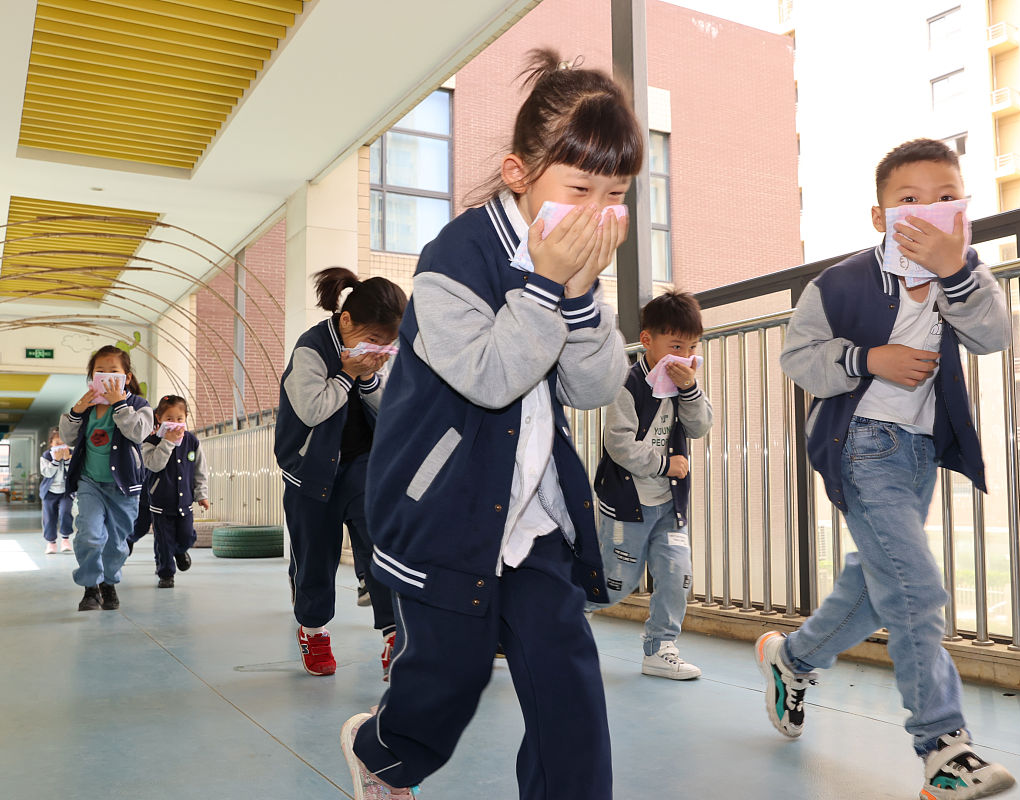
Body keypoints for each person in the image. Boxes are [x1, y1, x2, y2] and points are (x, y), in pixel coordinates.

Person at [339, 49, 636, 800]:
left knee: (570, 695)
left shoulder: (572, 265)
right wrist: (546, 284)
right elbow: (491, 378)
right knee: (448, 680)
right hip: (443, 513)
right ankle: (381, 752)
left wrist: (580, 295)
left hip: (530, 520)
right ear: (519, 174)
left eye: (616, 195)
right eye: (580, 189)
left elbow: (594, 385)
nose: (597, 212)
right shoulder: (454, 258)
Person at [763, 138, 1015, 799]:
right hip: (862, 445)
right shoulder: (840, 282)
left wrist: (956, 273)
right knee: (915, 590)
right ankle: (943, 748)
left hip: (921, 450)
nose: (928, 210)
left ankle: (792, 659)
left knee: (877, 587)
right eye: (909, 199)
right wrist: (868, 359)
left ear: (963, 210)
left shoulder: (967, 274)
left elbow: (993, 335)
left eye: (945, 198)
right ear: (880, 217)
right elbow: (798, 359)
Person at [274, 267, 406, 678]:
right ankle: (313, 629)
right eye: (374, 340)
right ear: (346, 320)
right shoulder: (310, 350)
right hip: (310, 470)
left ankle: (395, 636)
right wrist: (349, 374)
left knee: (381, 543)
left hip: (363, 464)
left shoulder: (376, 355)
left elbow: (392, 409)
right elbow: (312, 409)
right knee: (315, 556)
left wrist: (369, 378)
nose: (380, 350)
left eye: (388, 344)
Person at [588, 290, 712, 679]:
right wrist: (664, 465)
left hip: (670, 506)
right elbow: (618, 443)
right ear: (647, 340)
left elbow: (700, 426)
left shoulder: (683, 384)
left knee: (677, 574)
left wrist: (690, 390)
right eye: (675, 346)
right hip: (628, 502)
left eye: (692, 347)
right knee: (615, 583)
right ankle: (561, 617)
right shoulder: (626, 383)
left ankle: (660, 648)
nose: (685, 356)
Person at [60, 345, 153, 612]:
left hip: (124, 486)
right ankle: (91, 588)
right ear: (92, 377)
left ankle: (109, 583)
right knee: (89, 535)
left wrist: (119, 404)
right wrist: (76, 411)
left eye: (114, 372)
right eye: (100, 372)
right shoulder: (87, 407)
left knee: (116, 543)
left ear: (127, 377)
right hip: (89, 482)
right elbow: (68, 437)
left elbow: (139, 433)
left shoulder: (139, 406)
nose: (107, 377)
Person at [139, 395, 210, 588]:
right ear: (159, 418)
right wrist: (168, 442)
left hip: (185, 502)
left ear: (186, 418)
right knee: (163, 541)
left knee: (187, 536)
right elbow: (154, 465)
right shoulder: (150, 441)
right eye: (169, 418)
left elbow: (200, 470)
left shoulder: (192, 441)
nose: (175, 423)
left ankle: (180, 551)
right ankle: (166, 574)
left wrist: (201, 494)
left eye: (180, 418)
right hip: (160, 503)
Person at [38, 427, 73, 554]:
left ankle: (65, 539)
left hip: (66, 492)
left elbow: (73, 473)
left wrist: (67, 459)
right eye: (57, 443)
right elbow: (46, 473)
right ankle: (51, 542)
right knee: (49, 517)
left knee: (65, 512)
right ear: (51, 443)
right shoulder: (46, 456)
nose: (61, 446)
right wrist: (56, 461)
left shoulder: (71, 453)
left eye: (63, 443)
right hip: (49, 492)